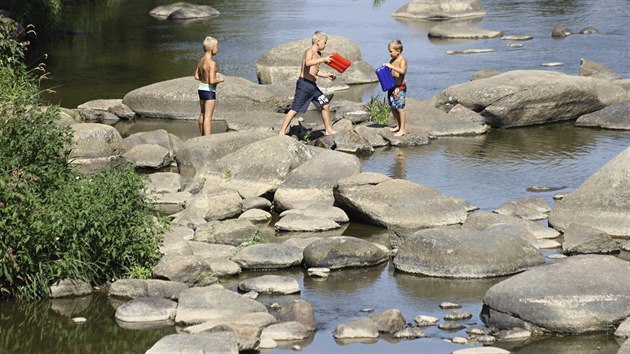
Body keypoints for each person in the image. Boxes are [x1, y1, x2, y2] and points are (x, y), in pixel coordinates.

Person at [278, 31, 337, 136]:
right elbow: (308, 63)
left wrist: (327, 75)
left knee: (325, 105)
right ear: (318, 42)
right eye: (325, 42)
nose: (326, 45)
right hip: (304, 85)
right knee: (295, 109)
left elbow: (315, 71)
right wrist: (323, 59)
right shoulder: (309, 52)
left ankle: (328, 130)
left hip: (313, 87)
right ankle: (282, 131)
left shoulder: (318, 54)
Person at [194, 36, 224, 136]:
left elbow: (196, 76)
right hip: (209, 91)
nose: (218, 48)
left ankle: (201, 136)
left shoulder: (201, 60)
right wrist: (220, 79)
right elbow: (212, 80)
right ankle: (207, 139)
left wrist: (204, 76)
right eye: (217, 47)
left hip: (201, 89)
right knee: (208, 117)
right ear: (213, 49)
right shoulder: (212, 63)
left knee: (202, 114)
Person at [383, 39, 407, 137]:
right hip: (391, 87)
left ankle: (402, 129)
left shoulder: (402, 60)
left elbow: (402, 71)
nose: (389, 53)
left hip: (399, 87)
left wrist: (391, 67)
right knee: (392, 106)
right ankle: (398, 125)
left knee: (400, 107)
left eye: (390, 51)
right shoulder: (392, 60)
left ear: (398, 51)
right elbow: (390, 72)